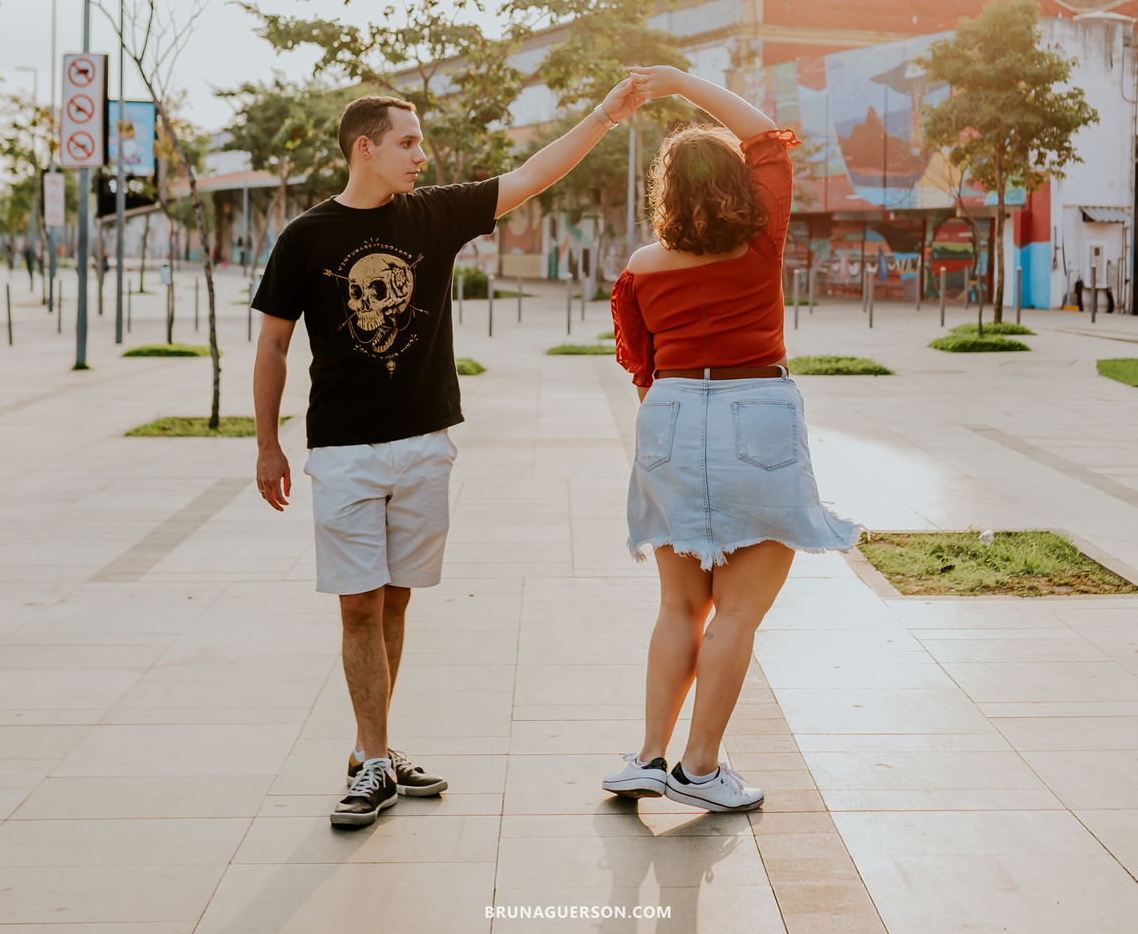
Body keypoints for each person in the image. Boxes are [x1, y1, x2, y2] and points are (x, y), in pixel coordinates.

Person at [251, 82, 642, 828]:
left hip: (425, 444)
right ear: (365, 148)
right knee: (358, 605)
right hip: (343, 451)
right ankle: (371, 760)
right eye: (408, 142)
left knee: (395, 599)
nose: (420, 155)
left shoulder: (432, 215)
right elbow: (272, 342)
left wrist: (603, 115)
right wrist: (267, 442)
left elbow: (531, 175)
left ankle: (377, 748)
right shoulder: (306, 238)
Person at [602, 66, 858, 814]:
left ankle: (649, 758)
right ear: (739, 188)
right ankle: (701, 770)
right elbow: (769, 138)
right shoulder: (761, 240)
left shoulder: (641, 270)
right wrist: (682, 81)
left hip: (673, 418)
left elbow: (641, 369)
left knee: (680, 607)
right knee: (738, 612)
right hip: (757, 410)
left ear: (665, 194)